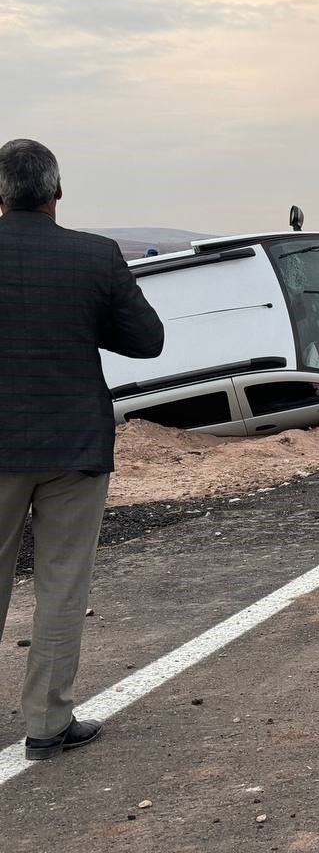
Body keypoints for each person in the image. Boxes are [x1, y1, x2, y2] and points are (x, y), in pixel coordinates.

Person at [0, 138, 164, 760]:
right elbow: (147, 341)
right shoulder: (96, 257)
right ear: (57, 193)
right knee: (62, 586)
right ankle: (46, 723)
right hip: (73, 443)